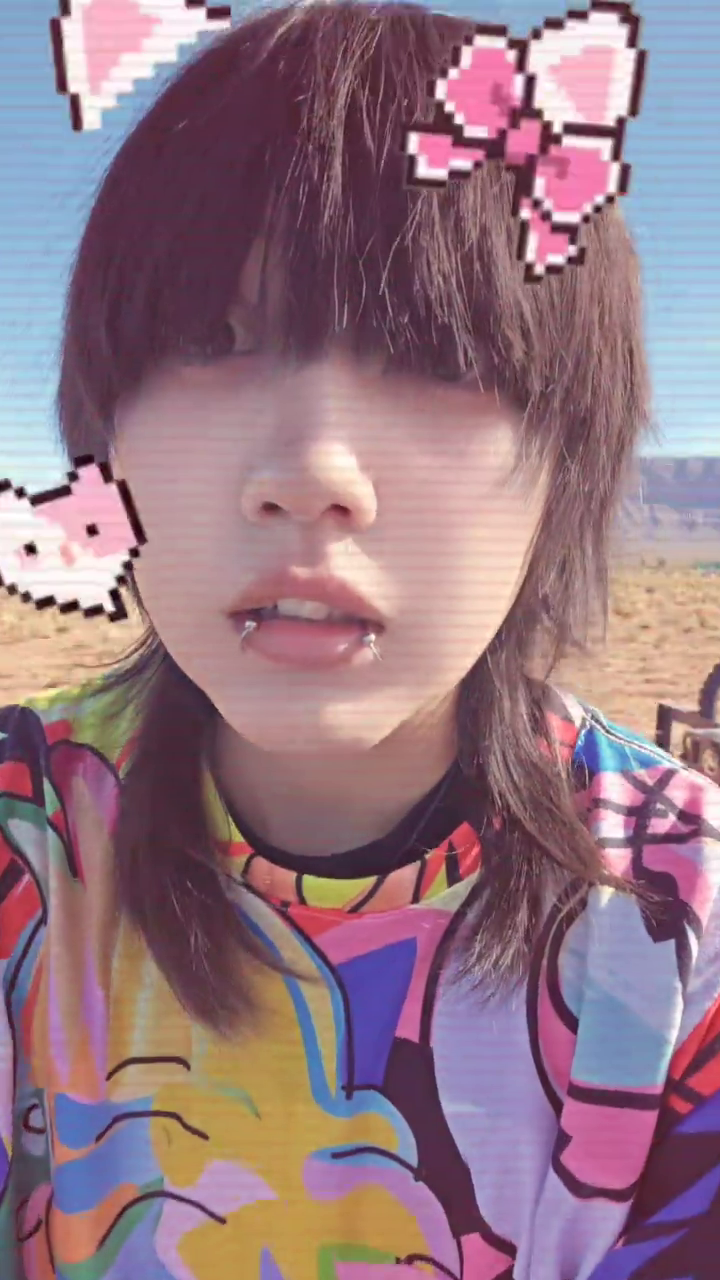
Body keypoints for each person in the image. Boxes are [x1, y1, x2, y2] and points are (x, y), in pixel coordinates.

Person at [1, 4, 718, 1278]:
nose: (310, 473)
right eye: (210, 340)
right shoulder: (24, 848)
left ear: (568, 465)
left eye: (437, 352)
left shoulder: (687, 924)